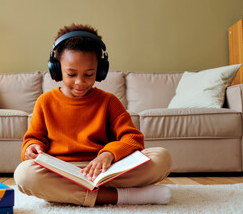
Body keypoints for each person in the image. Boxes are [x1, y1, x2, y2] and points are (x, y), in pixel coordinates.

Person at [14, 23, 172, 207]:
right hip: (63, 171)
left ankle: (65, 193)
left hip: (106, 169)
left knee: (162, 157)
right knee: (24, 174)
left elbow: (132, 138)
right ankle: (123, 197)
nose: (80, 82)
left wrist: (108, 154)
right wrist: (32, 147)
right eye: (71, 74)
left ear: (101, 70)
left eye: (89, 74)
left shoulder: (109, 101)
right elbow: (33, 139)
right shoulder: (45, 101)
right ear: (56, 69)